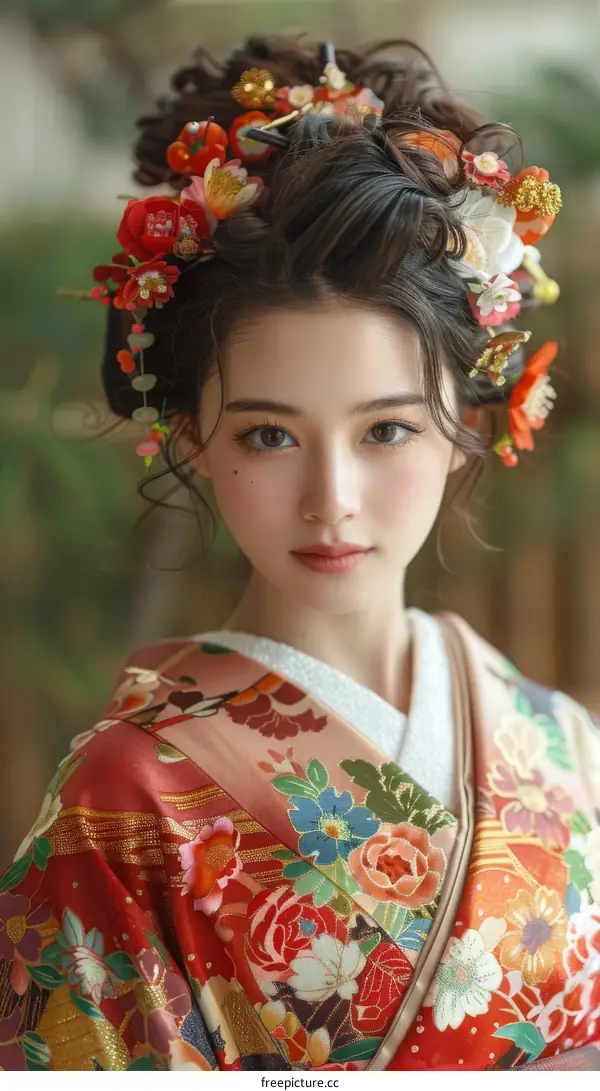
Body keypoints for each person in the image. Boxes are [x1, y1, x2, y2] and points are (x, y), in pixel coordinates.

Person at [1, 34, 599, 1073]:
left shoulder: (564, 743)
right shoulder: (126, 797)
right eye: (269, 435)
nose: (333, 501)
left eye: (387, 430)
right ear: (192, 438)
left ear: (468, 427)